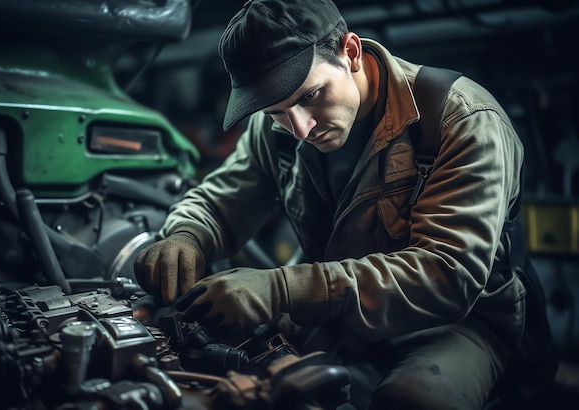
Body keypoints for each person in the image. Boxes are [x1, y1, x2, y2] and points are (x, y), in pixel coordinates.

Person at [134, 0, 550, 408]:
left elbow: (445, 274)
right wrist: (186, 234)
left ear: (350, 52)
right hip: (335, 313)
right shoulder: (278, 128)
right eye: (277, 111)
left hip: (458, 325)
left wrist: (280, 288)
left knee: (413, 400)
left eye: (311, 94)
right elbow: (223, 197)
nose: (299, 127)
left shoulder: (460, 120)